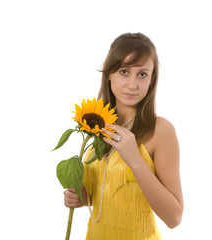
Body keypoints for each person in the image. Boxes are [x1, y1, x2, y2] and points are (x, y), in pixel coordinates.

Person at [63, 32, 184, 239]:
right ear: (109, 73)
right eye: (124, 71)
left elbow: (174, 218)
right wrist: (83, 198)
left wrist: (135, 160)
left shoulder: (161, 130)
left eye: (142, 74)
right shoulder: (96, 125)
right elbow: (109, 193)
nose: (133, 84)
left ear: (152, 79)